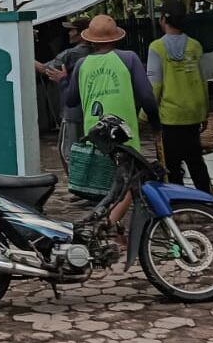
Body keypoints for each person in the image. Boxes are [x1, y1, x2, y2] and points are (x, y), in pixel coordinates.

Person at [64, 15, 160, 224]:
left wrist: (66, 81)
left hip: (95, 133)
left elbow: (71, 100)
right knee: (128, 183)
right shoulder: (129, 59)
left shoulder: (82, 64)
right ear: (116, 38)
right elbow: (146, 97)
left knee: (108, 182)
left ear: (89, 40)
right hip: (123, 134)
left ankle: (111, 227)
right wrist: (155, 123)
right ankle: (109, 225)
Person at [147, 2, 212, 193]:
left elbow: (155, 85)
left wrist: (145, 114)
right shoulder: (195, 46)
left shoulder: (157, 48)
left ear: (163, 20)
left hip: (170, 116)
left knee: (171, 165)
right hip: (193, 113)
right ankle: (208, 202)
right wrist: (205, 112)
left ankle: (180, 207)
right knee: (196, 161)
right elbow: (203, 80)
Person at [35, 17, 92, 172]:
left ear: (81, 34)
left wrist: (22, 46)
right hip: (91, 108)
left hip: (72, 110)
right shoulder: (97, 52)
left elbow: (44, 69)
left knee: (68, 150)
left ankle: (76, 185)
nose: (69, 33)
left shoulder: (71, 54)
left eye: (72, 30)